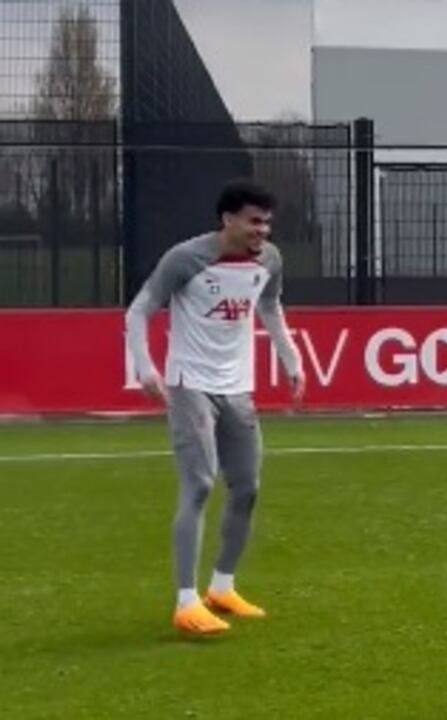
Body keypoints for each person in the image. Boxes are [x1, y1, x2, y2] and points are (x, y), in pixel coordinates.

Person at [125, 179, 305, 637]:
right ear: (228, 219)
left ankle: (222, 587)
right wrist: (146, 368)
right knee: (200, 484)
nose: (261, 230)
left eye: (266, 222)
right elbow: (139, 310)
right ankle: (186, 602)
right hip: (190, 385)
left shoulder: (270, 260)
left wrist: (291, 359)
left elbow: (270, 306)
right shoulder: (186, 258)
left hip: (237, 387)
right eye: (253, 221)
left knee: (246, 487)